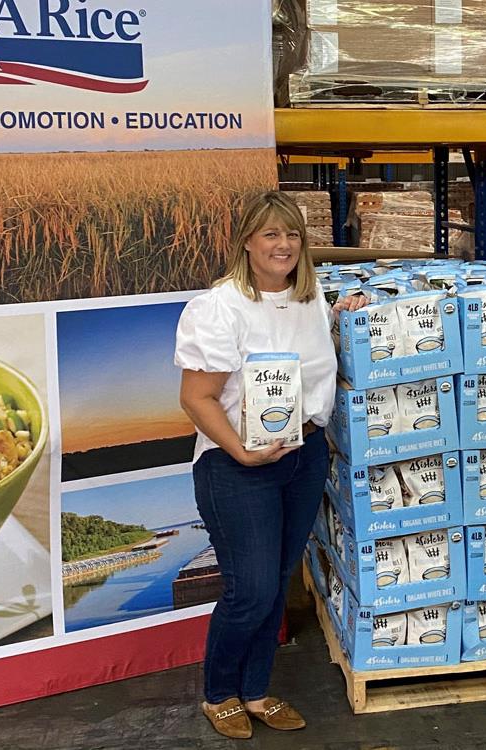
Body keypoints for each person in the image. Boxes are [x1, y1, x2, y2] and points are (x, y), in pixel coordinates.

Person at [174, 191, 365, 739]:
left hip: (300, 458)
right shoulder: (219, 307)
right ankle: (219, 692)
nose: (283, 245)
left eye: (292, 235)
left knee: (277, 582)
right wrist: (241, 450)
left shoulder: (308, 299)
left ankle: (256, 691)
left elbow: (302, 353)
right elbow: (197, 398)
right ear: (247, 242)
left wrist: (338, 318)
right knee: (250, 589)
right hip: (236, 467)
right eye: (270, 235)